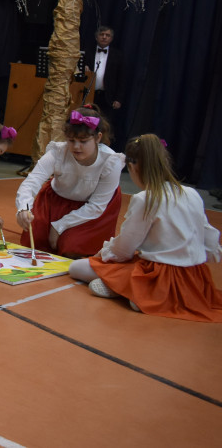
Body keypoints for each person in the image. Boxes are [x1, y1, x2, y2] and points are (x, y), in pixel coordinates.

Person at [68, 135, 222, 321]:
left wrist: (105, 254)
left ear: (133, 167)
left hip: (158, 274)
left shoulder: (145, 198)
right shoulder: (191, 193)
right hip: (194, 277)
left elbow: (125, 248)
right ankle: (139, 293)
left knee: (78, 267)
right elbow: (210, 237)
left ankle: (137, 292)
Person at [15, 106, 125, 257]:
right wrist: (23, 208)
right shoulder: (58, 152)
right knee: (35, 239)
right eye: (71, 140)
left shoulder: (111, 162)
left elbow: (97, 206)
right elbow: (31, 182)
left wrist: (59, 226)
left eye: (83, 141)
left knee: (71, 246)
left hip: (90, 209)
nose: (76, 146)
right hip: (55, 201)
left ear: (98, 138)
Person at [85, 25, 125, 140]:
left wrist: (119, 99)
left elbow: (121, 79)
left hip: (107, 96)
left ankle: (103, 145)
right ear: (96, 37)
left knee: (105, 124)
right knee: (87, 122)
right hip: (89, 94)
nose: (104, 37)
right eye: (101, 35)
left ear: (111, 38)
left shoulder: (118, 55)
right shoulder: (88, 52)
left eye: (107, 35)